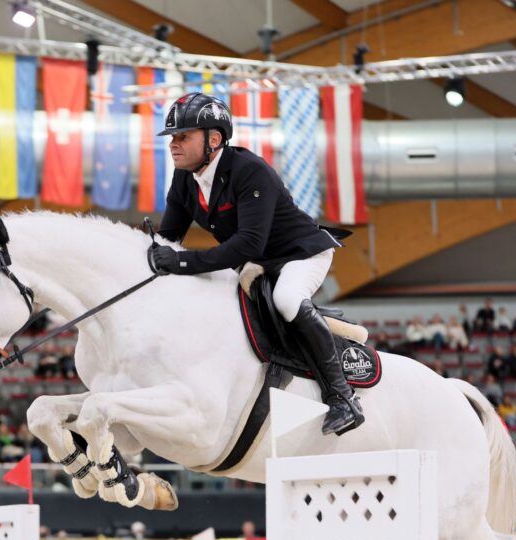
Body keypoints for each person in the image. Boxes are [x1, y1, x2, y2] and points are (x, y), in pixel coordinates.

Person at [147, 92, 361, 436]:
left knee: (287, 299)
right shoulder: (184, 178)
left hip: (300, 254)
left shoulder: (249, 171)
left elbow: (248, 242)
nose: (173, 144)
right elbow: (168, 238)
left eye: (183, 136)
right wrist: (150, 256)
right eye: (172, 137)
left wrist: (182, 263)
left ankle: (342, 397)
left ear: (213, 140)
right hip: (257, 260)